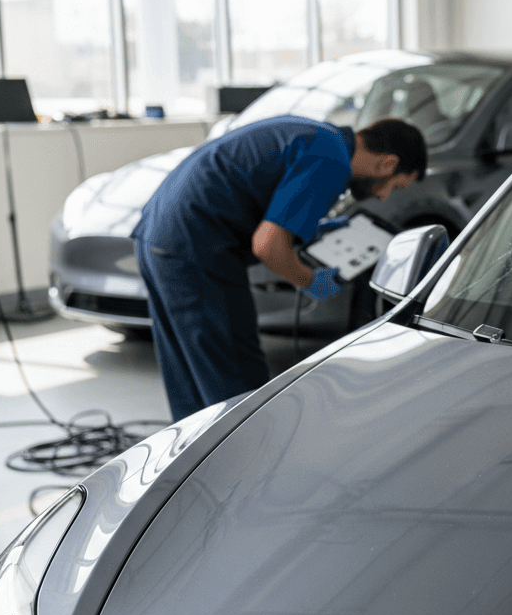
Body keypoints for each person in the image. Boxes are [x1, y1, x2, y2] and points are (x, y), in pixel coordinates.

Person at [132, 115, 427, 421]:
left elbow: (258, 197)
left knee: (190, 371)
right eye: (394, 186)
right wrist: (309, 279)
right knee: (235, 374)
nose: (383, 196)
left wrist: (311, 229)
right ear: (387, 164)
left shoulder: (318, 135)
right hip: (197, 247)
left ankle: (192, 460)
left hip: (157, 236)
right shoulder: (332, 160)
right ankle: (247, 459)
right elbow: (268, 245)